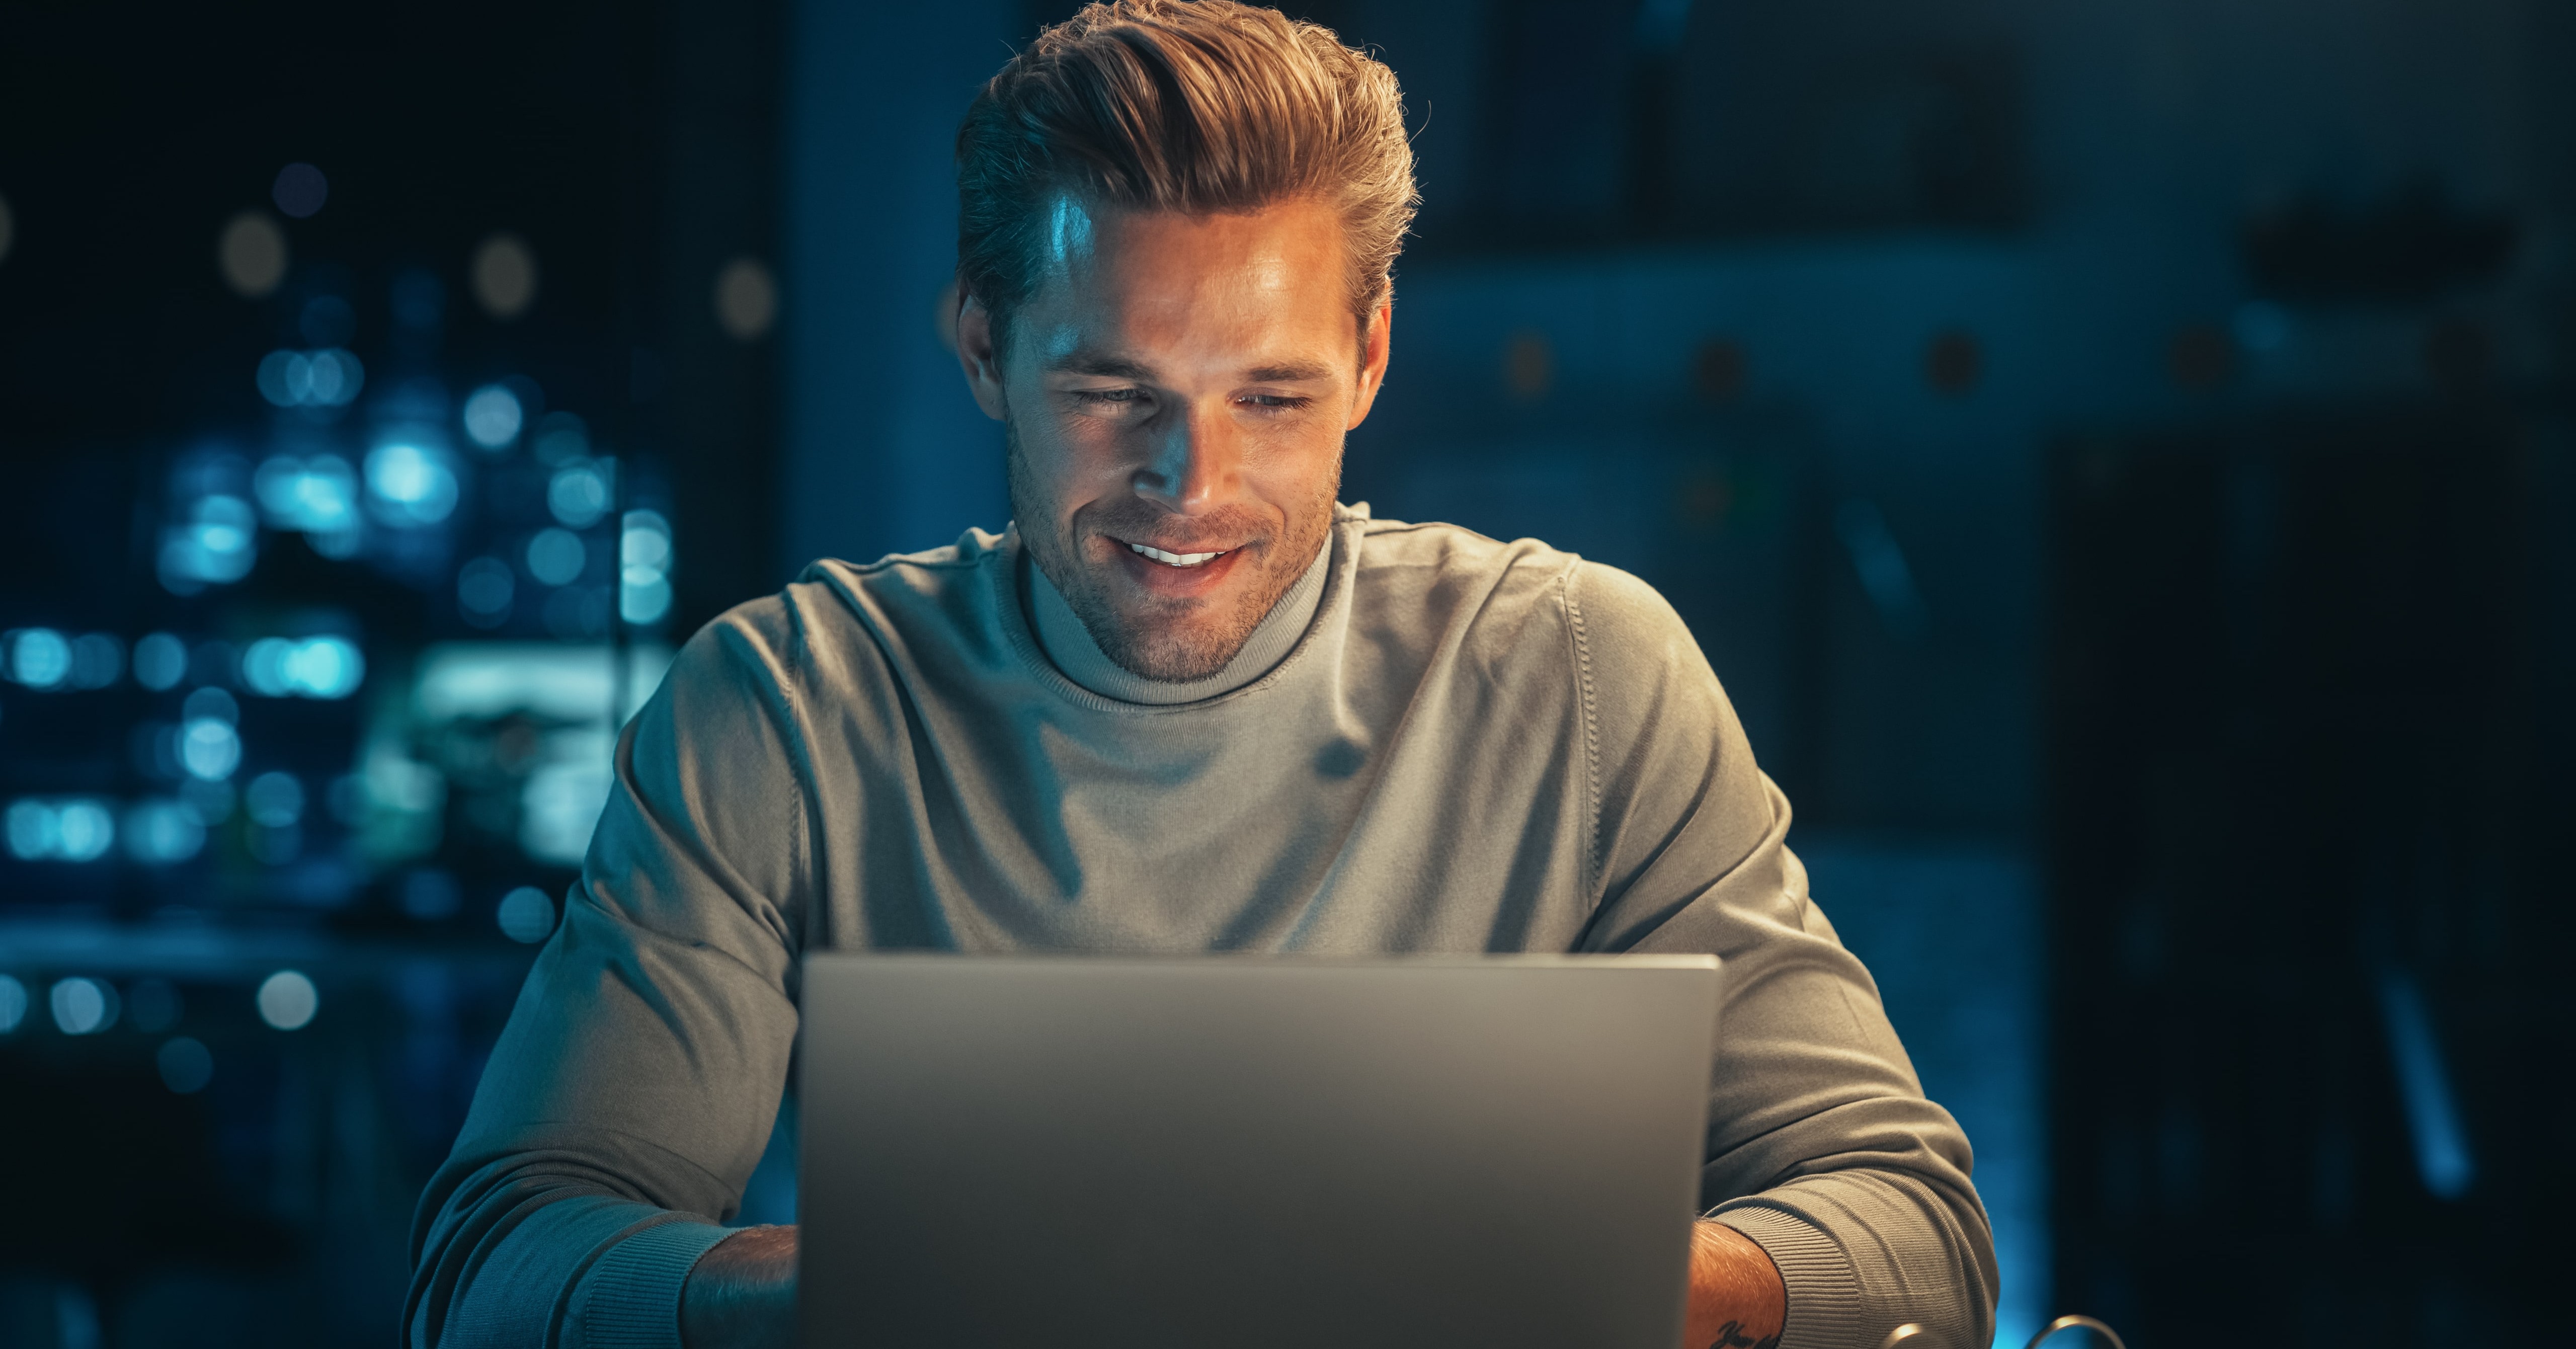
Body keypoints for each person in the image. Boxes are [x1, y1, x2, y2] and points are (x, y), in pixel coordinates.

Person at [406, 4, 1998, 1346]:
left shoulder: (1585, 671)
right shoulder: (785, 708)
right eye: (1115, 390)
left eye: (1274, 398)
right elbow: (496, 1270)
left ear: (1370, 359)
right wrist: (886, 1291)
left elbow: (1916, 1227)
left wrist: (1573, 1283)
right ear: (982, 347)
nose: (1194, 483)